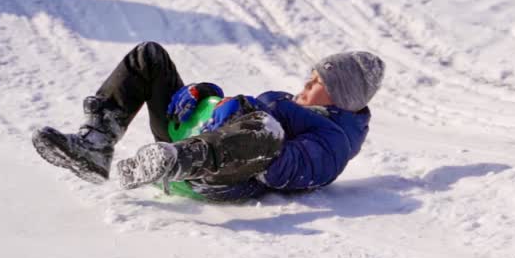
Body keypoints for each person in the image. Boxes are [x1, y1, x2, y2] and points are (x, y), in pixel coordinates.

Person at [31, 41, 384, 202]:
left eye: (318, 82)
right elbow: (235, 115)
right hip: (193, 144)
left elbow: (280, 171)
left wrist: (247, 115)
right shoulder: (287, 103)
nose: (306, 84)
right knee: (149, 57)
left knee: (267, 129)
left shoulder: (333, 141)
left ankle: (175, 161)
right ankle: (94, 145)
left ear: (341, 97)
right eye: (310, 76)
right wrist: (204, 94)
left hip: (213, 177)